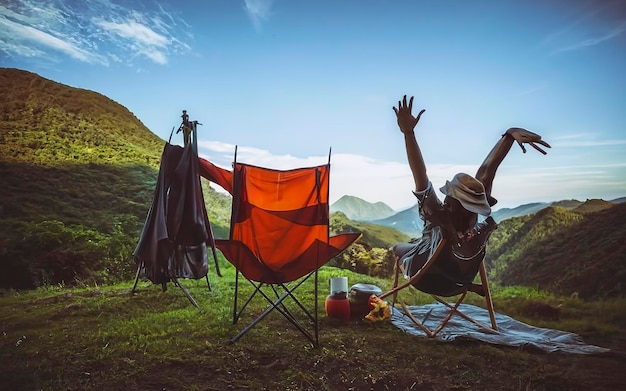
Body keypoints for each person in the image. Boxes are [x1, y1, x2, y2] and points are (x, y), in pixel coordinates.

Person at [391, 95, 551, 296]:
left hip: (425, 278)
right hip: (457, 282)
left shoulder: (437, 212)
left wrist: (408, 132)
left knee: (396, 247)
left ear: (449, 200)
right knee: (419, 242)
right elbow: (487, 170)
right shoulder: (474, 227)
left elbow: (420, 174)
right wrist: (508, 136)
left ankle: (405, 270)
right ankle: (467, 284)